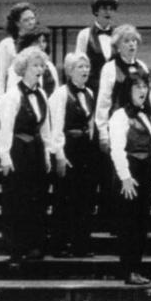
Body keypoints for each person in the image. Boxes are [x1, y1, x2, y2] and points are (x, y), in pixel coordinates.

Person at [0, 47, 52, 269]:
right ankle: (15, 250)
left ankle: (33, 246)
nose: (40, 70)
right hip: (18, 149)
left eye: (41, 66)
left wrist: (47, 153)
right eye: (35, 66)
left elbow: (45, 127)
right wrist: (5, 156)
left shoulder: (42, 94)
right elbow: (6, 127)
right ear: (24, 69)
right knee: (16, 201)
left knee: (36, 199)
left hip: (36, 150)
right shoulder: (13, 95)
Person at [108, 72, 151, 285]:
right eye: (137, 86)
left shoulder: (148, 116)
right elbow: (117, 149)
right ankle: (128, 270)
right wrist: (125, 177)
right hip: (129, 173)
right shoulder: (120, 116)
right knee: (129, 224)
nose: (142, 90)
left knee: (141, 224)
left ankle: (136, 268)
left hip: (146, 171)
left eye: (145, 86)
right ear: (127, 90)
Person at [49, 53, 97, 258]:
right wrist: (59, 154)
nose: (85, 70)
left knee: (84, 199)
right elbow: (56, 126)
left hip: (85, 151)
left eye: (86, 66)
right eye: (80, 67)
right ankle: (59, 245)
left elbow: (91, 123)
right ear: (69, 70)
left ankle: (81, 244)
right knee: (64, 199)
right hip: (68, 150)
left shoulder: (90, 93)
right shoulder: (60, 94)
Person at [94, 24, 150, 147]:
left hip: (140, 124)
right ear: (118, 46)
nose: (132, 44)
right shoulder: (110, 68)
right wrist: (103, 133)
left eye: (134, 40)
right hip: (118, 124)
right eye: (126, 41)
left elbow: (148, 102)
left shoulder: (143, 67)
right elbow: (103, 102)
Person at [0, 2, 38, 113]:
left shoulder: (39, 43)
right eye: (26, 20)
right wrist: (0, 102)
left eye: (32, 19)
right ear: (17, 23)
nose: (31, 23)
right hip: (14, 98)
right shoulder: (7, 45)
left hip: (36, 98)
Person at [74, 0, 118, 89]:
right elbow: (78, 63)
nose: (108, 12)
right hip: (91, 88)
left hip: (114, 88)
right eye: (104, 8)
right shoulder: (84, 34)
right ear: (96, 11)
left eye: (111, 9)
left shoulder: (118, 35)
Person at [10, 26, 59, 95]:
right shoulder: (18, 65)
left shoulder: (50, 66)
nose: (41, 45)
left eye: (44, 41)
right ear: (28, 43)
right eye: (37, 42)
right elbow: (12, 92)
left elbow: (56, 93)